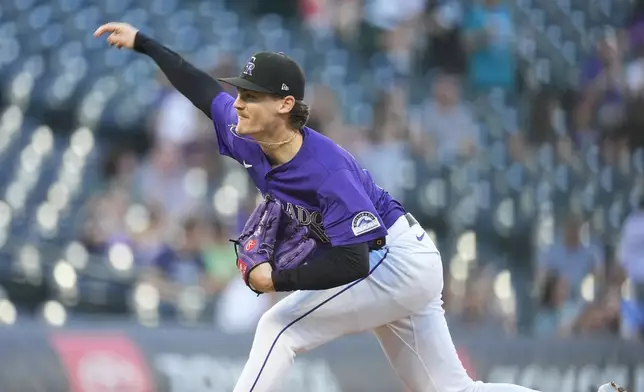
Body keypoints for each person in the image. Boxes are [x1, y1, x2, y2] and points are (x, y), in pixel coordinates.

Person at [94, 21, 614, 392]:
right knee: (451, 389)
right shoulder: (244, 129)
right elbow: (198, 83)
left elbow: (352, 262)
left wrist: (276, 279)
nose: (239, 102)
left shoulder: (327, 171)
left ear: (285, 106)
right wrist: (144, 43)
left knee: (278, 327)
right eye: (241, 93)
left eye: (251, 95)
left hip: (393, 261)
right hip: (400, 256)